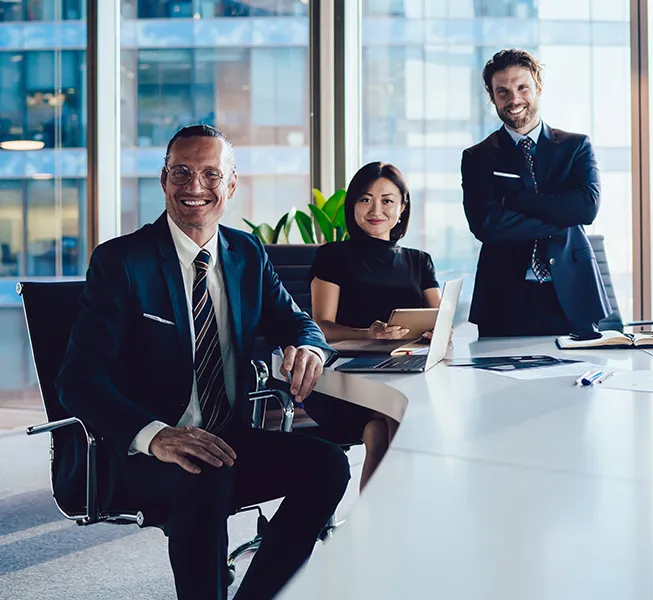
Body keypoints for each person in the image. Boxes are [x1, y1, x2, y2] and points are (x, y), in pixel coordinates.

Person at [57, 124, 350, 600]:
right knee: (204, 475)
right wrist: (157, 436)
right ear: (163, 179)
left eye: (211, 174)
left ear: (231, 185)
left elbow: (297, 322)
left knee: (328, 465)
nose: (195, 187)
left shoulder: (246, 253)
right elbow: (79, 380)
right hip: (144, 450)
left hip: (227, 438)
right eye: (182, 172)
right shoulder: (121, 262)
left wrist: (309, 348)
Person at [461, 48, 612, 337]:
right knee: (499, 381)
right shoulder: (478, 157)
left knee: (576, 379)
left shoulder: (576, 146)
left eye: (522, 87)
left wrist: (516, 200)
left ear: (538, 88)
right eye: (502, 91)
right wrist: (560, 217)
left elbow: (586, 209)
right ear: (492, 97)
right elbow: (487, 225)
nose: (514, 99)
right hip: (503, 297)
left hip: (572, 291)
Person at [308, 161, 440, 490]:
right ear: (352, 204)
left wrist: (436, 332)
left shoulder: (419, 260)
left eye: (387, 200)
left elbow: (440, 319)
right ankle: (387, 527)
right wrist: (367, 333)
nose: (376, 209)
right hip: (342, 377)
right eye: (365, 199)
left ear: (402, 207)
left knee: (383, 427)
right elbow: (320, 326)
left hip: (402, 370)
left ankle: (374, 528)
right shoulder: (333, 256)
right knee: (394, 419)